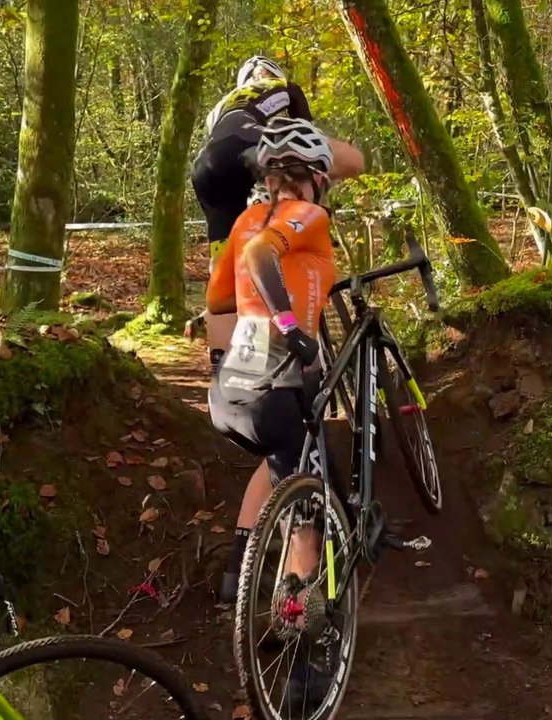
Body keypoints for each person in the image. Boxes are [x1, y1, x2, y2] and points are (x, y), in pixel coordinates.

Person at [205, 116, 358, 708]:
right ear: (315, 177)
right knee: (312, 508)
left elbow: (220, 296)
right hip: (278, 381)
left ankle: (239, 577)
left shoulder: (246, 219)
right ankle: (306, 652)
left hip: (232, 394)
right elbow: (265, 255)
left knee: (286, 468)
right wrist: (292, 324)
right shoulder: (306, 213)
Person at [192, 55, 363, 370]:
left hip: (206, 169)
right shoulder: (279, 86)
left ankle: (221, 363)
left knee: (223, 264)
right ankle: (305, 214)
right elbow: (302, 123)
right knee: (344, 159)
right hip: (247, 144)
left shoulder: (219, 109)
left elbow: (223, 149)